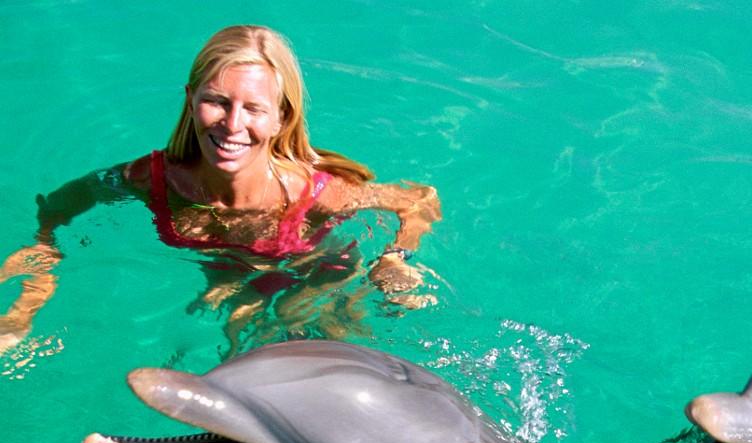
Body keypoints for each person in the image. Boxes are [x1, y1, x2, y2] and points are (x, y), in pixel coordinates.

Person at [0, 24, 441, 352]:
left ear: (281, 119)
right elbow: (59, 206)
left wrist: (395, 258)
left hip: (316, 275)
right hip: (228, 278)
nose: (233, 125)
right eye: (216, 101)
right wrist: (38, 277)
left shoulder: (314, 190)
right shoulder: (152, 180)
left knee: (317, 348)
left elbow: (420, 199)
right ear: (191, 99)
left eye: (254, 109)